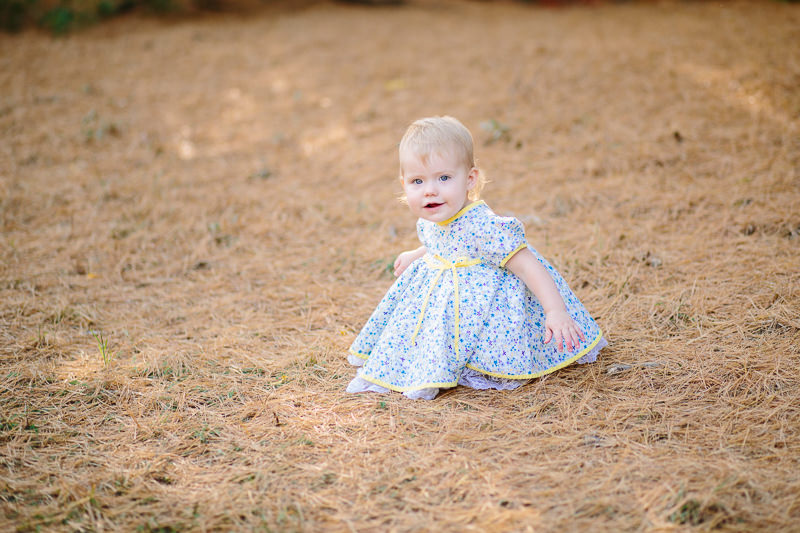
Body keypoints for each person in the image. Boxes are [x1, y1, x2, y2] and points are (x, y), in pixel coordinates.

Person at [347, 116, 607, 400]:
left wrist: (555, 310)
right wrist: (416, 254)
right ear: (403, 184)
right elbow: (444, 243)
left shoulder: (483, 225)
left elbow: (527, 264)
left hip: (487, 305)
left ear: (470, 179)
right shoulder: (433, 219)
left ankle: (479, 361)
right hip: (451, 296)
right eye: (417, 181)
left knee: (471, 329)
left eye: (444, 178)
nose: (430, 190)